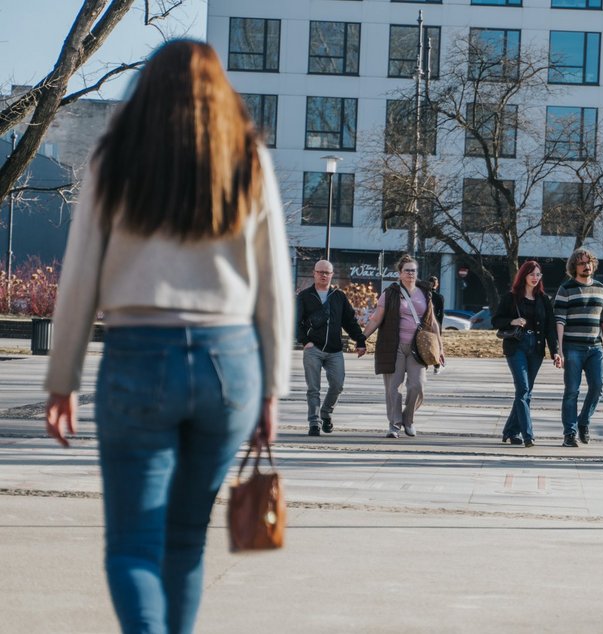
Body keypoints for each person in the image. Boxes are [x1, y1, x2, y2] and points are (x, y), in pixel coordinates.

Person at [43, 40, 293, 634]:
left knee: (131, 545)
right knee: (184, 541)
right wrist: (272, 390)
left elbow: (79, 272)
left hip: (137, 356)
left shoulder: (115, 158)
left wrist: (62, 380)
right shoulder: (248, 158)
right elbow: (275, 286)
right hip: (229, 363)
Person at [362, 254, 444, 438]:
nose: (410, 274)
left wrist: (440, 348)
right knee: (393, 388)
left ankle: (408, 419)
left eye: (413, 270)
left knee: (418, 385)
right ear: (399, 273)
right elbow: (376, 319)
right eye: (407, 270)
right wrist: (362, 339)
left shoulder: (425, 293)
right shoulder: (390, 293)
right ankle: (394, 425)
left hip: (418, 347)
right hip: (394, 345)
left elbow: (433, 323)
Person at [492, 260, 561, 447]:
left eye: (538, 275)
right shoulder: (511, 297)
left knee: (526, 392)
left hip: (536, 348)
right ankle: (528, 435)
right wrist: (513, 321)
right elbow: (496, 320)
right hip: (517, 346)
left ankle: (510, 431)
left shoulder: (544, 299)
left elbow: (550, 329)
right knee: (523, 389)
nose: (535, 278)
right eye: (532, 274)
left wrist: (556, 352)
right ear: (524, 275)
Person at [296, 260, 367, 436]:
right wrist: (305, 342)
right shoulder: (304, 296)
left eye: (326, 272)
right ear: (314, 273)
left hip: (334, 350)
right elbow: (295, 322)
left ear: (332, 275)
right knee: (313, 388)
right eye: (320, 272)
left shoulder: (338, 296)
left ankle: (326, 413)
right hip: (313, 349)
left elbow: (349, 321)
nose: (323, 275)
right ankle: (314, 422)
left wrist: (360, 341)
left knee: (337, 385)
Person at [554, 248, 603, 447]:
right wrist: (559, 350)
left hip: (596, 348)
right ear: (574, 266)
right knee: (572, 390)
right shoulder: (566, 289)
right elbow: (559, 321)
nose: (586, 266)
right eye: (581, 263)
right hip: (572, 347)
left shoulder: (602, 289)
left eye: (589, 262)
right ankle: (569, 433)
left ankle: (584, 421)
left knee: (598, 386)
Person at [427, 275, 445, 374]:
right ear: (436, 285)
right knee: (435, 345)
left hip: (424, 323)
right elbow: (441, 314)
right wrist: (440, 327)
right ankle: (436, 366)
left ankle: (423, 364)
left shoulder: (423, 295)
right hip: (435, 324)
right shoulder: (439, 297)